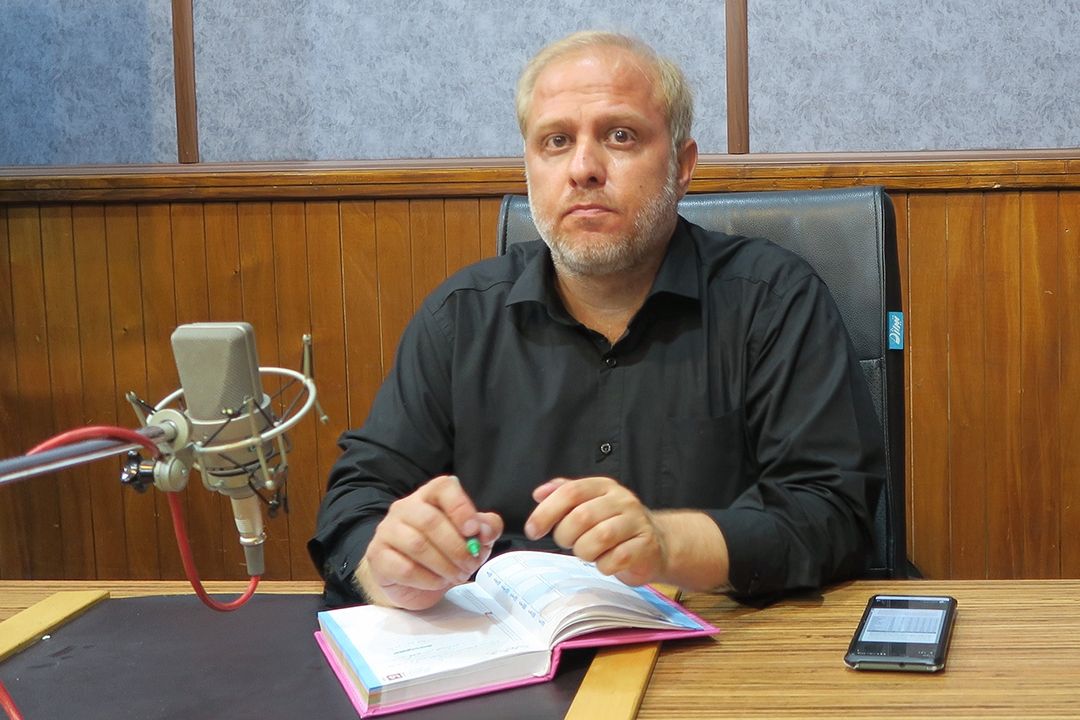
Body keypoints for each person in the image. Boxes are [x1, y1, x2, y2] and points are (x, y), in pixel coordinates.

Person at [309, 31, 884, 610]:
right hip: (506, 647)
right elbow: (359, 497)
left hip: (719, 641)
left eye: (620, 136)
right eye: (556, 141)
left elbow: (833, 512)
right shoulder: (461, 318)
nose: (583, 168)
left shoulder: (772, 300)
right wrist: (387, 566)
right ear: (529, 167)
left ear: (683, 165)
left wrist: (666, 543)